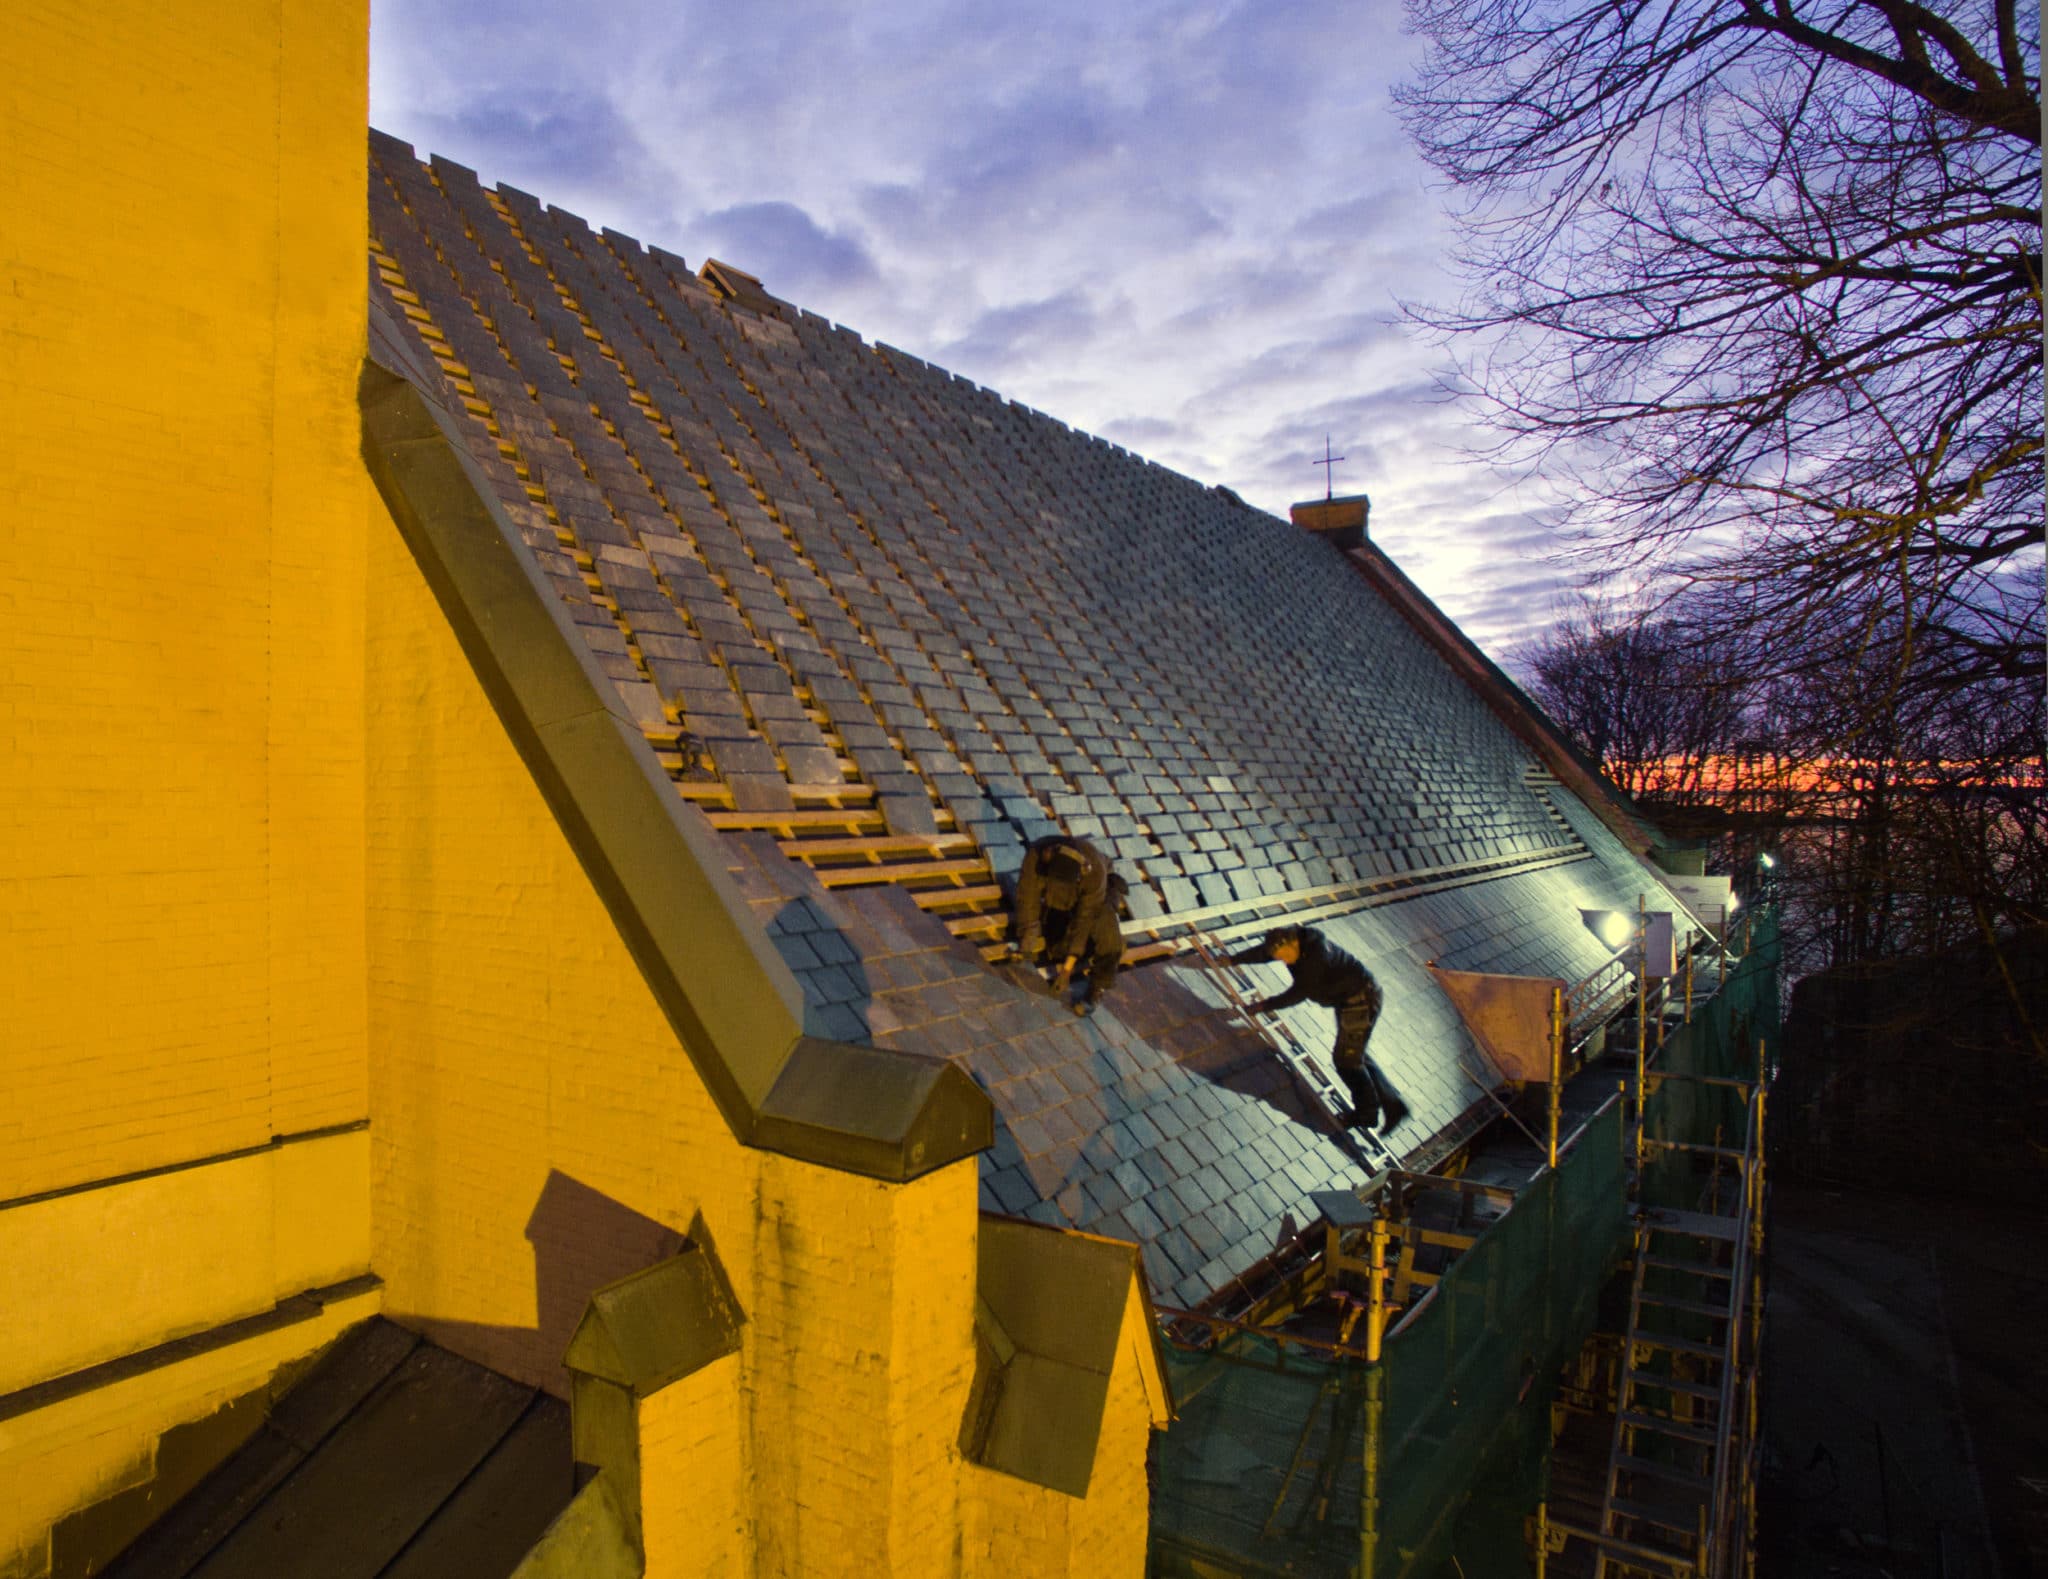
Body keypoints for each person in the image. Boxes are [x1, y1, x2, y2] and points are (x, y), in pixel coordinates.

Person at [1228, 925, 1410, 1134]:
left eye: (1285, 956)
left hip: (1361, 1001)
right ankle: (1394, 1106)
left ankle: (1367, 1114)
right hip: (1352, 998)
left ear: (1293, 944)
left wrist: (1263, 1006)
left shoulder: (1316, 957)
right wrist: (1233, 959)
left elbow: (1298, 993)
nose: (1285, 961)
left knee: (1346, 1061)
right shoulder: (1293, 945)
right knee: (1355, 1054)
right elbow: (1264, 953)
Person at [1003, 834, 1125, 1015]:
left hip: (1097, 894)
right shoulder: (1036, 856)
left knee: (1110, 938)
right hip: (1061, 897)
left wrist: (1067, 970)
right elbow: (1028, 900)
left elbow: (1085, 920)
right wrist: (1026, 947)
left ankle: (1097, 989)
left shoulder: (1094, 873)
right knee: (1056, 947)